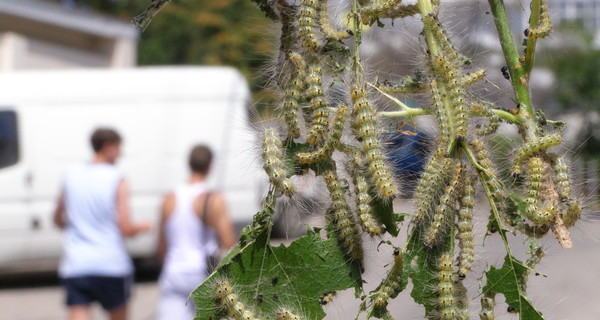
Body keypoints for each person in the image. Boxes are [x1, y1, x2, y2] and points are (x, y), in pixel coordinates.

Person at [53, 127, 151, 320]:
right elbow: (125, 227)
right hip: (110, 262)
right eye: (118, 148)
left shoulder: (71, 174)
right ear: (107, 147)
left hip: (77, 263)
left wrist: (78, 228)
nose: (120, 154)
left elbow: (57, 219)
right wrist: (141, 227)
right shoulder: (116, 178)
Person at [157, 145, 236, 320]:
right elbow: (229, 242)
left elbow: (161, 248)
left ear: (189, 163)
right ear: (210, 166)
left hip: (173, 272)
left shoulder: (168, 198)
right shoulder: (213, 199)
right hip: (202, 274)